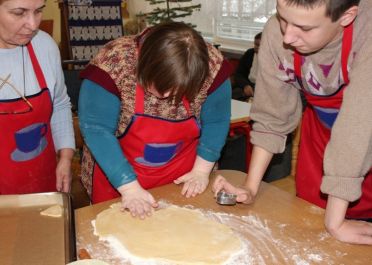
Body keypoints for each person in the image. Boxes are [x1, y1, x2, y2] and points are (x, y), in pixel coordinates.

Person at [213, 0, 372, 245]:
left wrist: (335, 221)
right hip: (321, 134)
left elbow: (359, 124)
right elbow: (271, 114)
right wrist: (251, 187)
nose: (287, 36)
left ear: (347, 17)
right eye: (282, 18)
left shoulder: (367, 31)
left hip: (362, 133)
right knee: (311, 224)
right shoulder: (278, 33)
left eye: (304, 28)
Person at [78, 21, 232, 219]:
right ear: (144, 66)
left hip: (183, 173)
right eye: (162, 87)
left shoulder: (211, 66)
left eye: (178, 90)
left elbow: (217, 121)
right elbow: (96, 129)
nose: (168, 95)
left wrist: (201, 171)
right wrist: (129, 188)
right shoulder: (115, 62)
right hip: (115, 171)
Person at [0, 0, 75, 194]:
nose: (33, 25)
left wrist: (66, 157)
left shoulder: (45, 46)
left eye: (38, 11)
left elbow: (59, 104)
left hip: (43, 182)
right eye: (19, 13)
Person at [232, 32, 262, 101]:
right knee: (233, 93)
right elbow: (239, 73)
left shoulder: (273, 59)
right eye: (255, 44)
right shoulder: (250, 53)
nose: (255, 47)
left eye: (258, 45)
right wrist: (245, 85)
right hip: (248, 84)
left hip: (262, 89)